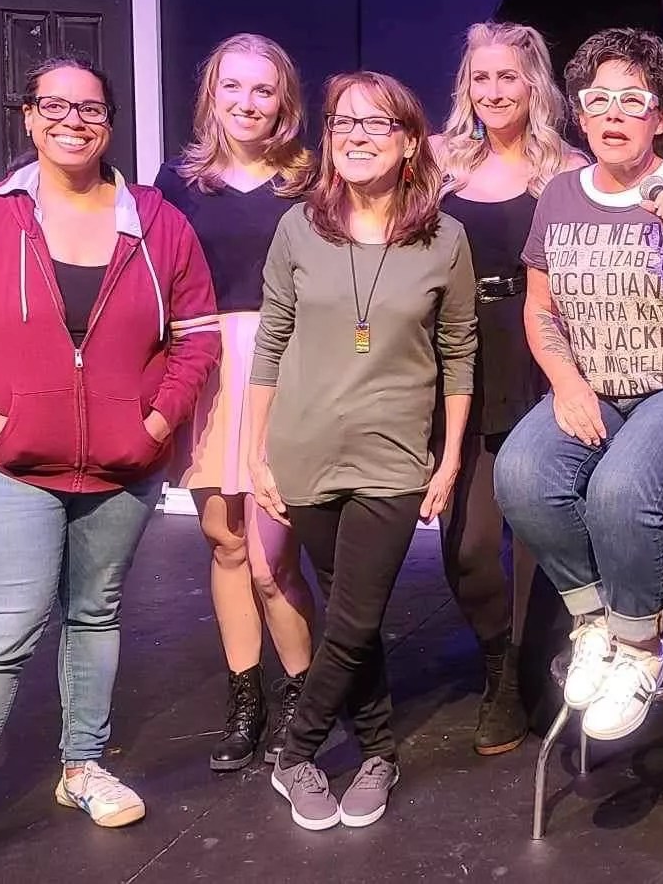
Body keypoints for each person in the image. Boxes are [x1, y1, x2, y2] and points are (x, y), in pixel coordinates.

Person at [0, 58, 221, 884]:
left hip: (121, 468)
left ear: (110, 122)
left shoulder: (157, 222)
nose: (73, 121)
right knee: (6, 630)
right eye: (55, 105)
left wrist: (155, 423)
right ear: (29, 116)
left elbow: (197, 337)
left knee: (94, 615)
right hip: (10, 465)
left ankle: (81, 768)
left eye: (91, 109)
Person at [494, 27, 663, 744]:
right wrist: (566, 383)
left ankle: (642, 645)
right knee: (522, 475)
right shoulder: (559, 196)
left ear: (661, 117)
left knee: (620, 489)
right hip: (595, 386)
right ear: (580, 113)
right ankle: (594, 624)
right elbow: (540, 307)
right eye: (598, 99)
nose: (613, 114)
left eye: (632, 101)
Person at [250, 70, 476, 831]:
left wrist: (448, 458)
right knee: (356, 613)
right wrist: (254, 451)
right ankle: (379, 749)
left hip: (393, 456)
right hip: (305, 447)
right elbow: (271, 339)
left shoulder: (444, 239)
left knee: (352, 615)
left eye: (376, 124)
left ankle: (294, 753)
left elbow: (459, 352)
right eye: (343, 123)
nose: (355, 136)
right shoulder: (298, 228)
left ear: (410, 142)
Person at [155, 33, 319, 772]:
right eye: (232, 87)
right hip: (209, 366)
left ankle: (305, 697)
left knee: (269, 559)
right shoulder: (177, 181)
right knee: (225, 542)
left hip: (287, 365)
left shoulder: (309, 179)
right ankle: (246, 697)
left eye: (263, 89)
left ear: (284, 100)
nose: (247, 103)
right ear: (211, 96)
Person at [430, 21, 585, 755]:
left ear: (534, 86)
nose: (493, 90)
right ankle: (498, 658)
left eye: (508, 77)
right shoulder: (438, 165)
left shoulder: (567, 169)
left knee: (537, 536)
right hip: (462, 355)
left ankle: (522, 676)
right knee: (469, 544)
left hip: (541, 348)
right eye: (480, 77)